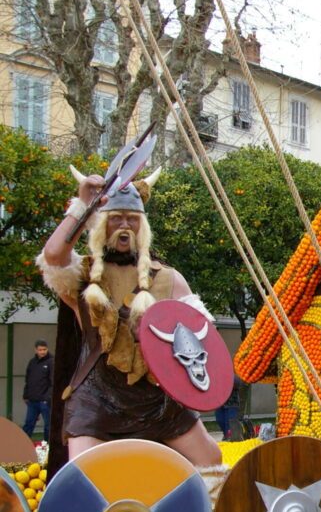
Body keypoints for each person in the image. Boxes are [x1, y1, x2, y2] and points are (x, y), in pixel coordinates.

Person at [36, 168, 224, 488]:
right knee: (83, 478)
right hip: (96, 397)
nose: (124, 226)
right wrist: (82, 205)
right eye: (116, 218)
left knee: (210, 461)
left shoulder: (167, 278)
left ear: (143, 226)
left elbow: (201, 336)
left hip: (155, 397)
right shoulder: (81, 276)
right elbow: (53, 256)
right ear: (100, 225)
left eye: (132, 219)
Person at [22, 339, 53, 442]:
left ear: (47, 349)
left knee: (48, 426)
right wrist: (26, 395)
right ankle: (23, 444)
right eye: (40, 350)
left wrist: (47, 398)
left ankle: (47, 446)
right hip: (32, 401)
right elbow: (28, 379)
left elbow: (53, 382)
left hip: (45, 401)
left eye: (44, 349)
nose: (42, 352)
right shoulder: (32, 362)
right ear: (36, 350)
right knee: (28, 424)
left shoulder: (51, 361)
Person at [215, 374, 246, 440]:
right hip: (220, 402)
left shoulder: (234, 369)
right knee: (219, 419)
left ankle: (229, 438)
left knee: (229, 424)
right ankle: (226, 435)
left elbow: (238, 383)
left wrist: (227, 379)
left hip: (231, 403)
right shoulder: (217, 370)